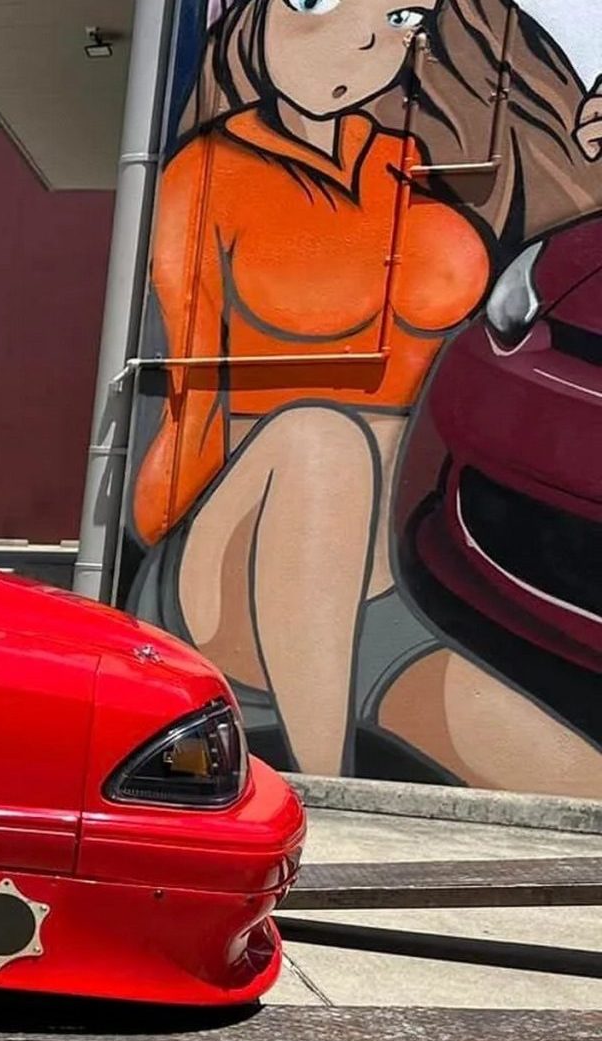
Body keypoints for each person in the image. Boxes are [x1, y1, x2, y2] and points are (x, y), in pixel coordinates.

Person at [134, 0, 602, 794]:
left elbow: (549, 261)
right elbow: (191, 385)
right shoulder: (209, 169)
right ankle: (325, 799)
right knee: (322, 436)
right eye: (314, 2)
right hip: (235, 570)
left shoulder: (407, 162)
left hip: (387, 594)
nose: (365, 38)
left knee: (574, 780)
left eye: (402, 17)